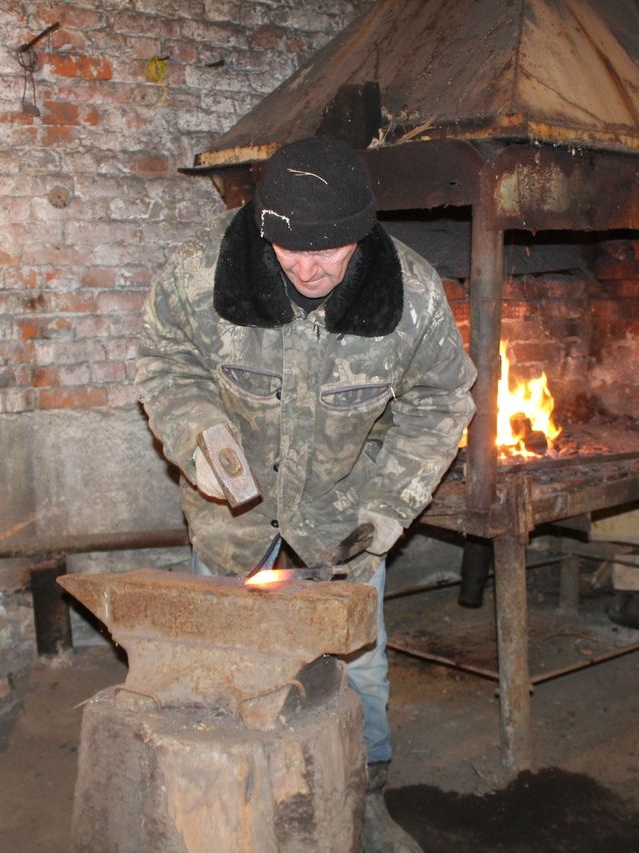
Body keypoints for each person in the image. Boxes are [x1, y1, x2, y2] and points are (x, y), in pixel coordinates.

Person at [135, 136, 476, 852]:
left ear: (363, 230)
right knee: (225, 655)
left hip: (345, 509)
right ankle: (235, 804)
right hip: (235, 512)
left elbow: (441, 402)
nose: (313, 268)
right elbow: (166, 359)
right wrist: (200, 435)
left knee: (361, 664)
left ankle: (362, 796)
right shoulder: (203, 274)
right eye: (294, 251)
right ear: (266, 228)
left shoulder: (410, 294)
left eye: (333, 249)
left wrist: (386, 508)